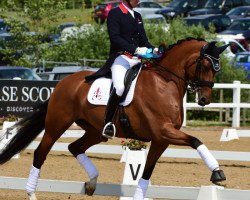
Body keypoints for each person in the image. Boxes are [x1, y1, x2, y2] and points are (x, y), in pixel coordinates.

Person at [85, 0, 158, 139]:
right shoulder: (115, 13)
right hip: (121, 59)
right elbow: (115, 38)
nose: (138, 1)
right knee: (119, 88)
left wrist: (153, 49)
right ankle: (108, 123)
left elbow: (143, 40)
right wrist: (135, 49)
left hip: (136, 60)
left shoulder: (137, 16)